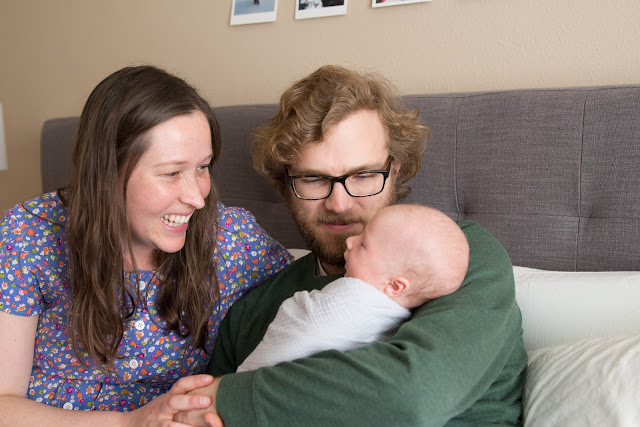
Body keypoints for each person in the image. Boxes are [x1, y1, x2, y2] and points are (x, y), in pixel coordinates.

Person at [177, 65, 527, 426]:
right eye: (313, 179)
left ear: (395, 171)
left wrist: (229, 397)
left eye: (363, 175)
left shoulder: (455, 256)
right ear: (286, 183)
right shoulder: (253, 310)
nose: (339, 203)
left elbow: (413, 395)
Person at [0, 65, 292, 425]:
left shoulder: (231, 239)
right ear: (107, 172)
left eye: (203, 167)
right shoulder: (29, 234)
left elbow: (313, 307)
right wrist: (128, 423)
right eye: (171, 173)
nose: (197, 198)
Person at [237, 204, 469, 372]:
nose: (349, 241)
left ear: (394, 285)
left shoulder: (358, 301)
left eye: (363, 245)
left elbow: (305, 322)